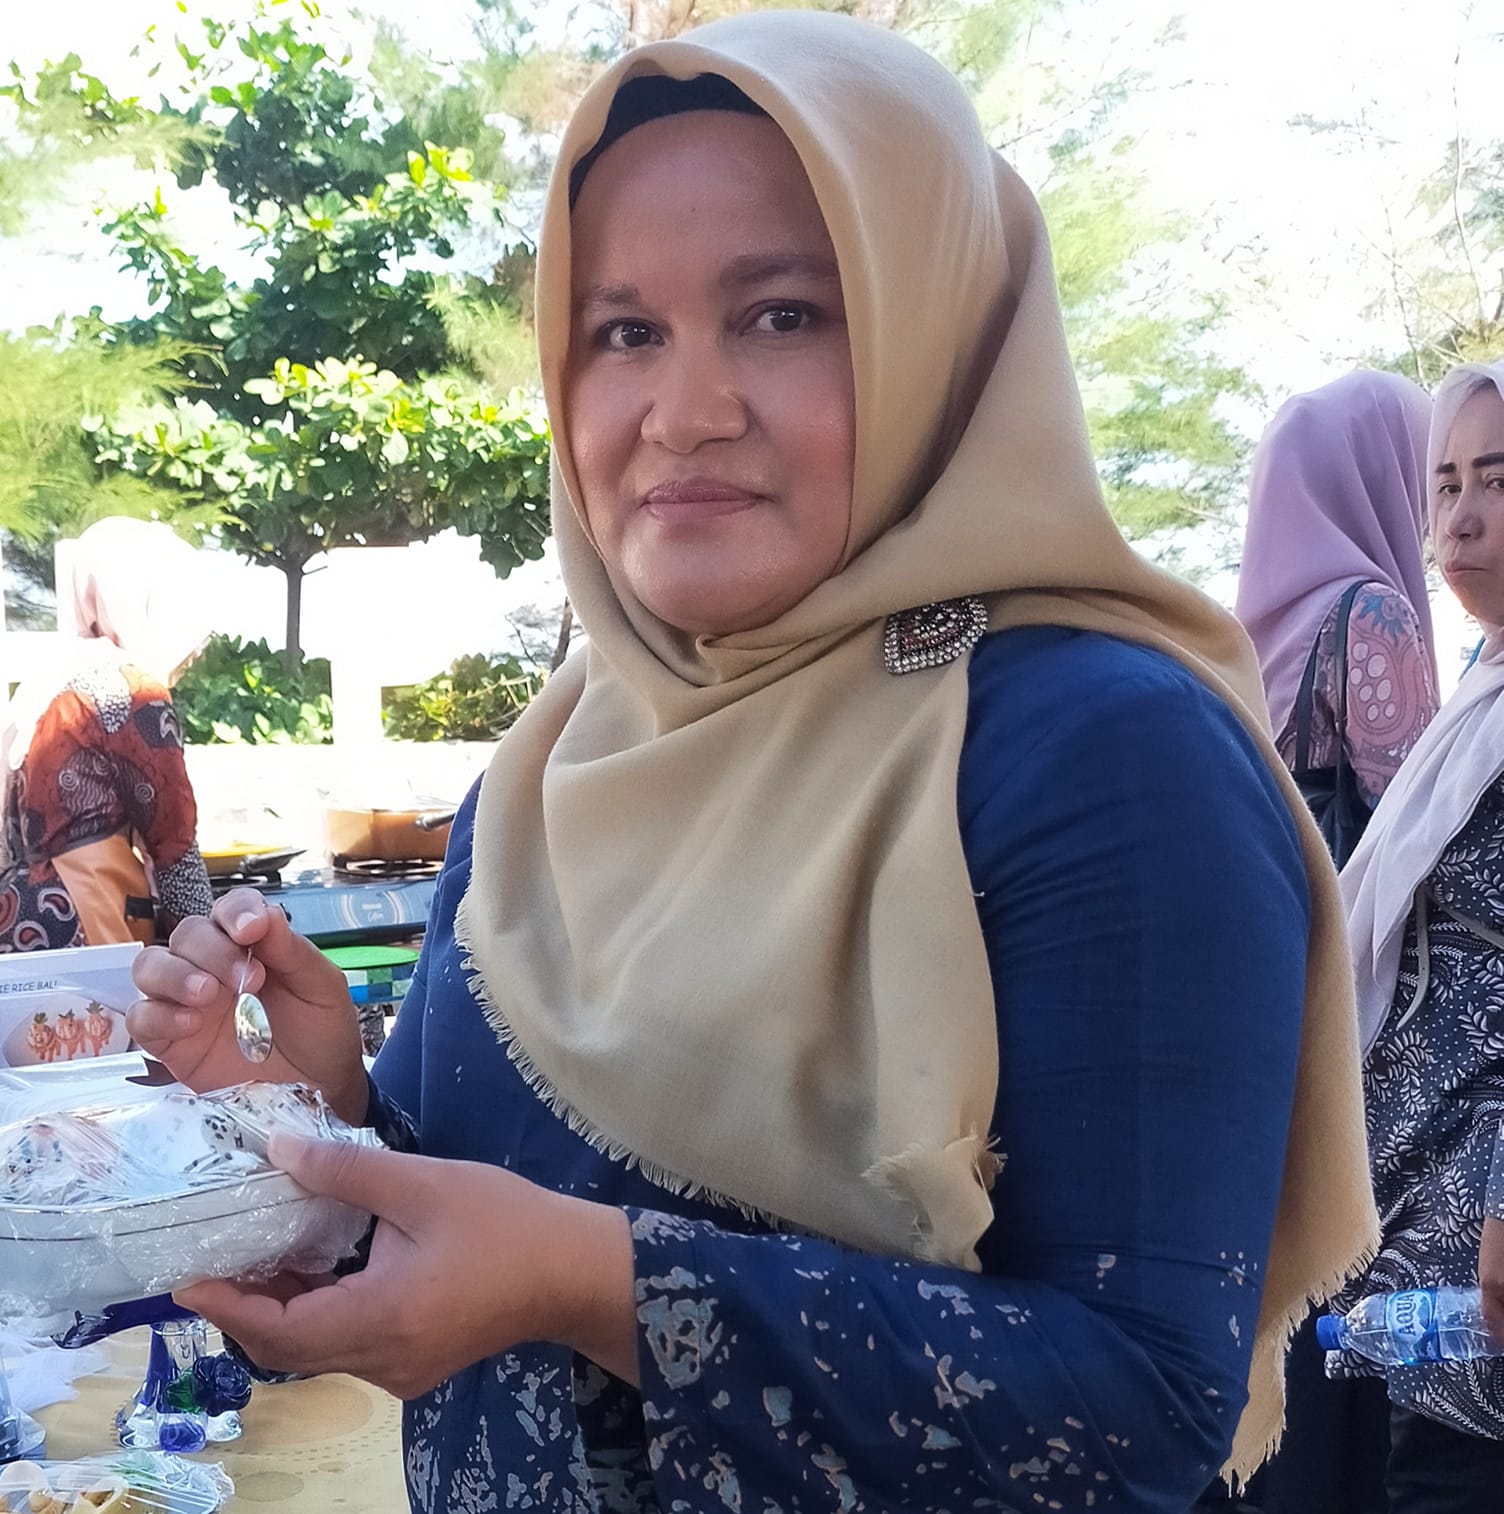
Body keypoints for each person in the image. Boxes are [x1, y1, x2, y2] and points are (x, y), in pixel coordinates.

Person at [128, 15, 1376, 1510]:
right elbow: (478, 1224)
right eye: (623, 332)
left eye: (781, 314)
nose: (686, 411)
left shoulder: (1105, 754)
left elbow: (1142, 1405)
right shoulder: (558, 760)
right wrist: (317, 1123)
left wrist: (596, 1281)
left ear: (938, 334)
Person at [1230, 370, 1439, 1514]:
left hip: (1262, 1001)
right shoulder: (1373, 616)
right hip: (1357, 1008)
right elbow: (1424, 821)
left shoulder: (1235, 638)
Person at [1335, 359, 1504, 1512]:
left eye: (1495, 479)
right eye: (1442, 483)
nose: (1460, 519)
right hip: (1429, 1249)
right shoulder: (1480, 685)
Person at [0, 517, 216, 989]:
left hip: (5, 928)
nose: (195, 650)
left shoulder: (44, 685)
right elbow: (174, 847)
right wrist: (214, 958)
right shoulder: (129, 692)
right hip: (78, 931)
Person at [1238, 370, 1439, 866]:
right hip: (1357, 905)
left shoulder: (1249, 628)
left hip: (1288, 895)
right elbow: (1419, 809)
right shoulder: (1371, 611)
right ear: (1387, 474)